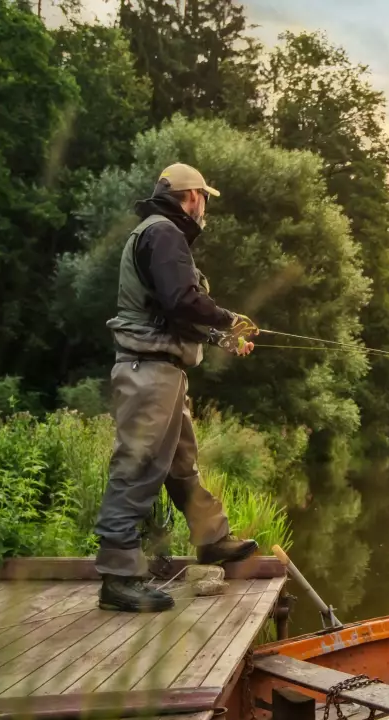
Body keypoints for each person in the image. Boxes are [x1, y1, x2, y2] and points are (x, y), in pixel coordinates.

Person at [93, 163, 259, 613]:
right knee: (137, 465)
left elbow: (172, 312)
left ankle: (212, 540)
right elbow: (182, 299)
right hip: (149, 373)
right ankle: (119, 577)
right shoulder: (165, 232)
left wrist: (221, 337)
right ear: (192, 196)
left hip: (160, 372)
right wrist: (228, 318)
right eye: (204, 198)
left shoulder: (156, 233)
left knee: (180, 467)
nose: (205, 207)